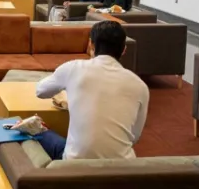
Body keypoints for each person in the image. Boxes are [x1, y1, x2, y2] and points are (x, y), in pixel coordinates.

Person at [35, 21, 149, 160]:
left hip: (76, 164)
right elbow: (135, 137)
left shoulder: (73, 68)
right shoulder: (140, 86)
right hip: (122, 168)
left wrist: (68, 92)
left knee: (36, 130)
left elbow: (40, 91)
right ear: (124, 49)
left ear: (90, 44)